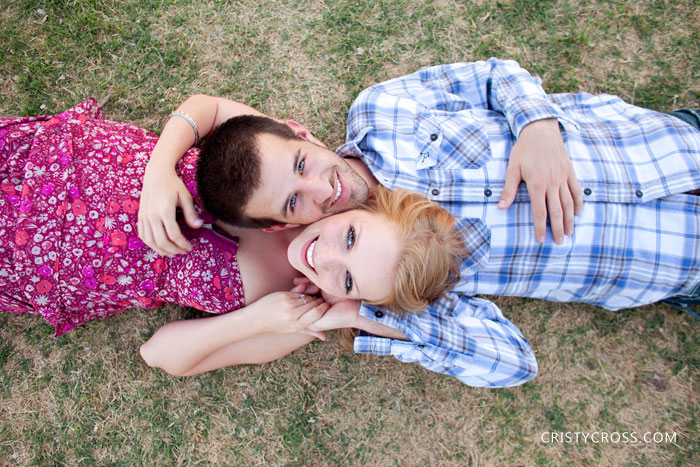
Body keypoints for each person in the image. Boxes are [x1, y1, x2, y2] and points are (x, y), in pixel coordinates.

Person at [140, 58, 700, 388]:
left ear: (303, 135)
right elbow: (508, 363)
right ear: (276, 228)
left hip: (669, 147)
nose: (322, 190)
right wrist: (355, 310)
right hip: (680, 264)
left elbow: (493, 75)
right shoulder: (390, 281)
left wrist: (536, 126)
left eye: (304, 165)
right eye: (294, 204)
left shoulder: (381, 110)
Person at [0, 99, 467, 376]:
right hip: (52, 164)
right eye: (348, 237)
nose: (323, 257)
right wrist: (160, 171)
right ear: (371, 211)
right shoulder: (300, 164)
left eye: (346, 281)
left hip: (33, 257)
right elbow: (212, 107)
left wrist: (267, 320)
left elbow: (160, 355)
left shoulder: (296, 313)